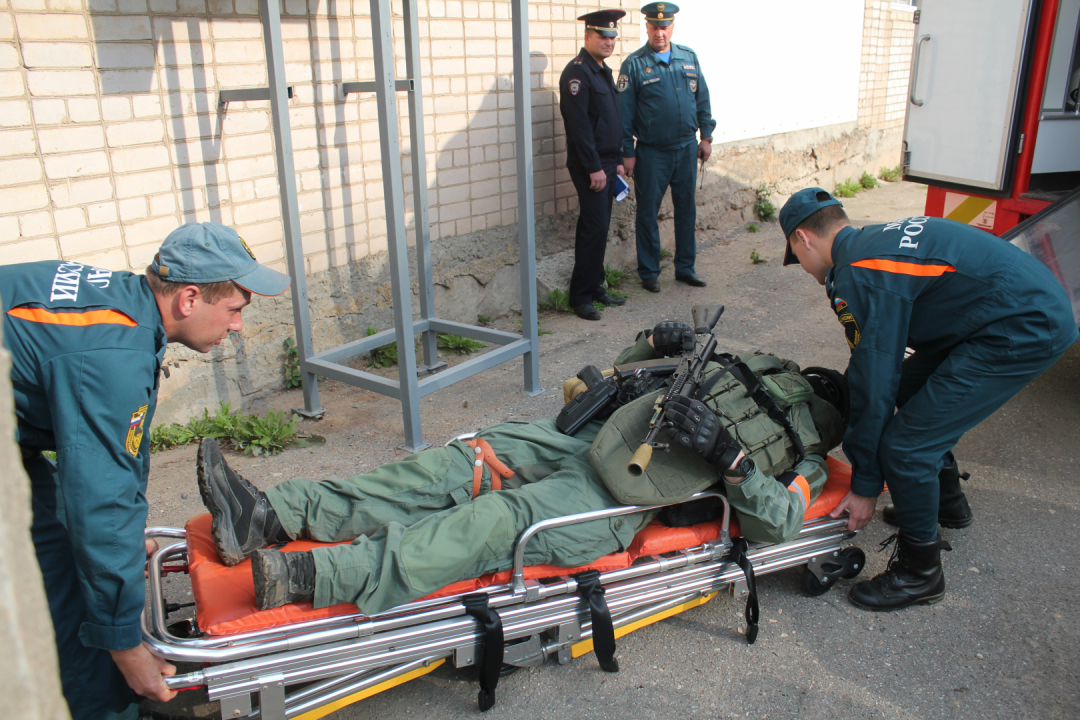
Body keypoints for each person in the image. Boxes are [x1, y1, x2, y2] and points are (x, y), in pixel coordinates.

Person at [196, 322, 848, 615]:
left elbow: (781, 521)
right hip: (593, 434)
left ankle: (313, 575)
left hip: (631, 492)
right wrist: (653, 344)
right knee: (459, 464)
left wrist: (731, 460)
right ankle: (271, 514)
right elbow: (626, 378)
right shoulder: (738, 367)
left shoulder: (806, 455)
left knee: (496, 521)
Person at [2, 223, 291, 720]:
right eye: (235, 309)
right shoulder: (111, 356)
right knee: (58, 569)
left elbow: (116, 454)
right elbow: (100, 498)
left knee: (75, 541)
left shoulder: (127, 312)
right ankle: (103, 705)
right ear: (189, 298)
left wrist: (127, 534)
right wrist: (124, 645)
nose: (238, 325)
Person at [779, 187, 1079, 612]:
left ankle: (920, 574)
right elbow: (883, 371)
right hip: (1014, 307)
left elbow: (873, 378)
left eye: (797, 258)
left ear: (803, 239)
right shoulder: (873, 241)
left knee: (905, 447)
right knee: (909, 389)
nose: (805, 270)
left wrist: (866, 482)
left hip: (1022, 325)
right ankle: (946, 503)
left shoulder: (858, 271)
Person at [617, 2, 715, 293]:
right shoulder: (633, 65)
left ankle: (685, 268)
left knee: (687, 211)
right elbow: (625, 114)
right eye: (654, 26)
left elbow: (703, 100)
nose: (660, 32)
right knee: (647, 213)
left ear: (672, 26)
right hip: (652, 152)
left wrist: (706, 136)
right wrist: (628, 152)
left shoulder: (688, 57)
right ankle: (649, 272)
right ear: (646, 27)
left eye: (665, 26)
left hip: (686, 148)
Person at [559, 9, 629, 322]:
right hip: (590, 166)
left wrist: (615, 162)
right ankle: (581, 296)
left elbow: (609, 122)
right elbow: (579, 127)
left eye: (613, 36)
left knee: (599, 228)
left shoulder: (602, 71)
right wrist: (594, 167)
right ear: (587, 36)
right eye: (602, 36)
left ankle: (596, 285)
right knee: (593, 227)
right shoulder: (577, 74)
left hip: (606, 163)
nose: (609, 41)